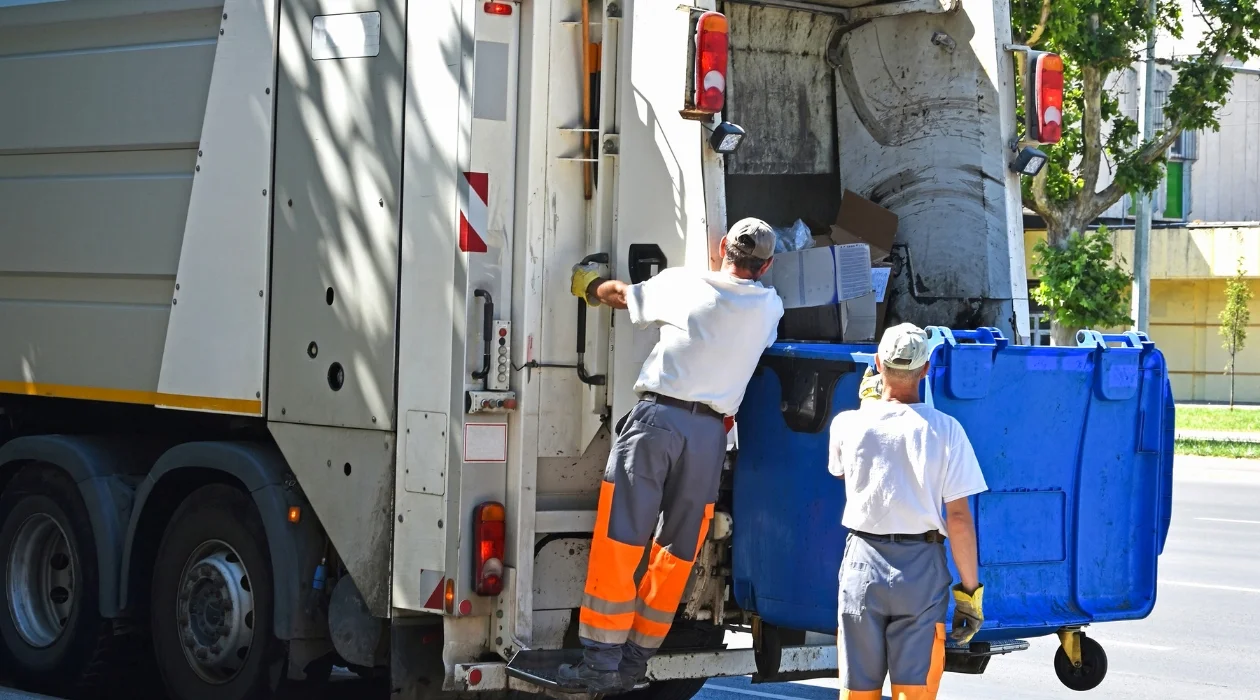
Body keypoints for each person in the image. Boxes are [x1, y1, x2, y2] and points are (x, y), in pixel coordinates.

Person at [557, 218, 785, 693]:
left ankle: (601, 661)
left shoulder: (685, 282)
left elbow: (623, 296)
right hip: (709, 437)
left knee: (621, 541)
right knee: (677, 552)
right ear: (766, 265)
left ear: (722, 246)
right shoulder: (770, 309)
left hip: (658, 423)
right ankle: (635, 661)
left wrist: (588, 284)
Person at [827, 323, 988, 700]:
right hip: (921, 569)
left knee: (857, 691)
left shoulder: (848, 424)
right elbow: (960, 519)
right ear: (927, 369)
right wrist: (969, 592)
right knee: (913, 691)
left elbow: (841, 470)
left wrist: (870, 406)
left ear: (879, 364)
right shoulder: (947, 431)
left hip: (862, 562)